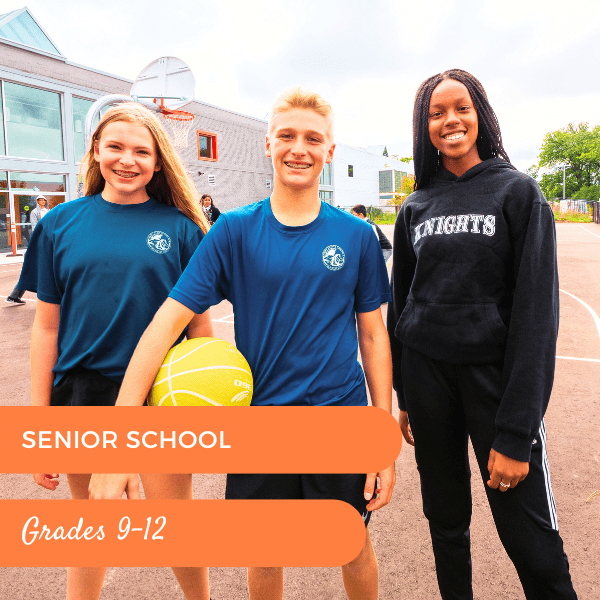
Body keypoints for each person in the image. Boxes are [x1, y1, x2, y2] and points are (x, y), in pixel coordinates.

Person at [89, 87, 396, 600]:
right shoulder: (232, 231)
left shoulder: (357, 235)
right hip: (260, 425)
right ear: (268, 144)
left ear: (330, 152)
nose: (300, 148)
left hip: (339, 420)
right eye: (287, 136)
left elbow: (373, 335)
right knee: (263, 551)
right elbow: (163, 326)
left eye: (313, 138)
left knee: (352, 544)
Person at [387, 69, 577, 600]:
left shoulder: (518, 193)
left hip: (494, 388)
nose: (450, 120)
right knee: (446, 526)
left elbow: (538, 317)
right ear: (424, 127)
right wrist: (406, 394)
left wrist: (516, 432)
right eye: (436, 112)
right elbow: (402, 306)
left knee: (530, 540)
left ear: (481, 115)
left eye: (461, 108)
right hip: (428, 386)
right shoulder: (415, 205)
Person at [16, 102, 212, 600]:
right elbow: (46, 330)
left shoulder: (183, 230)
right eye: (116, 147)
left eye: (141, 151)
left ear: (158, 161)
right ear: (95, 151)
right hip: (83, 393)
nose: (128, 160)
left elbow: (200, 330)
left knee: (176, 529)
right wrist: (37, 422)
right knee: (92, 529)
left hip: (157, 397)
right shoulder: (58, 225)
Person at [5, 196, 50, 306]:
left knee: (29, 274)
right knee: (30, 273)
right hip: (39, 243)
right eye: (40, 200)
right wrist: (40, 237)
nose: (42, 202)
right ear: (37, 201)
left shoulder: (48, 211)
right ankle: (14, 296)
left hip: (45, 242)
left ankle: (14, 296)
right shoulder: (35, 212)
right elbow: (35, 226)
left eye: (44, 200)